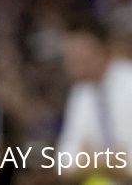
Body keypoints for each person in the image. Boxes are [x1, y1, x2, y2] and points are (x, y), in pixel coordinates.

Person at [56, 13, 132, 182]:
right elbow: (63, 162)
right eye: (68, 53)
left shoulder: (129, 82)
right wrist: (107, 161)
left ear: (100, 49)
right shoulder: (80, 93)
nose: (70, 59)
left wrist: (94, 159)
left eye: (78, 51)